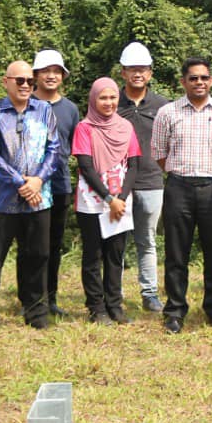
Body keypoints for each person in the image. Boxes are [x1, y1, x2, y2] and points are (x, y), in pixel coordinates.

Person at [0, 60, 62, 335]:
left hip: (39, 197)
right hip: (4, 199)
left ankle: (36, 311)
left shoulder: (44, 111)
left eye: (29, 81)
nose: (25, 86)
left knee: (38, 255)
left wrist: (37, 181)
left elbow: (55, 149)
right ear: (6, 81)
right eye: (19, 81)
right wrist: (19, 182)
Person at [154, 57, 212, 333]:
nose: (199, 83)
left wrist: (209, 175)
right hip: (178, 187)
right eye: (193, 78)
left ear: (211, 81)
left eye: (204, 78)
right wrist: (183, 176)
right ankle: (175, 312)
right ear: (183, 82)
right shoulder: (168, 113)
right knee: (176, 253)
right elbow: (159, 153)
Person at [74, 77, 140, 325]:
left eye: (113, 97)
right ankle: (96, 307)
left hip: (121, 202)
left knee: (115, 254)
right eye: (103, 97)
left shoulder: (125, 127)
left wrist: (120, 199)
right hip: (92, 202)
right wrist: (109, 198)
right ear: (93, 99)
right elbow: (86, 167)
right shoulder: (84, 128)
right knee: (93, 255)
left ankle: (115, 305)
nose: (108, 102)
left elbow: (134, 165)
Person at [116, 41, 168, 314]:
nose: (138, 74)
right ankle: (115, 294)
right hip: (117, 184)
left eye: (143, 69)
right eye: (132, 69)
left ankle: (149, 293)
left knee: (146, 239)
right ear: (123, 72)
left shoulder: (163, 106)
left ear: (150, 72)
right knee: (116, 241)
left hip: (151, 181)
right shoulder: (111, 102)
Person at [32, 49, 81, 319]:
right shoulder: (26, 103)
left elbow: (73, 148)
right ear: (36, 75)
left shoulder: (70, 109)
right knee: (31, 245)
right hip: (28, 188)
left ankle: (50, 298)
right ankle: (30, 297)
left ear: (62, 76)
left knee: (53, 244)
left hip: (59, 185)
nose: (51, 76)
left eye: (56, 71)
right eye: (45, 71)